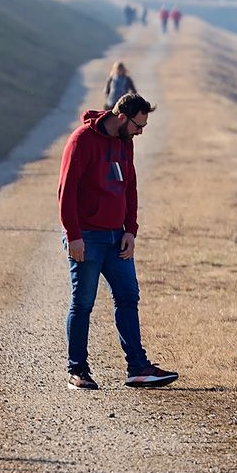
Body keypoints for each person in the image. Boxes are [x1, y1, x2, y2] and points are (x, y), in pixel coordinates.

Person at [58, 93, 178, 390]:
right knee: (83, 303)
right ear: (122, 117)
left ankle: (138, 368)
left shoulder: (126, 142)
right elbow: (66, 191)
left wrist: (130, 230)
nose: (141, 132)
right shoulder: (81, 140)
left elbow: (130, 187)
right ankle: (78, 371)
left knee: (128, 298)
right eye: (139, 125)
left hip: (117, 237)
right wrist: (74, 236)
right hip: (87, 237)